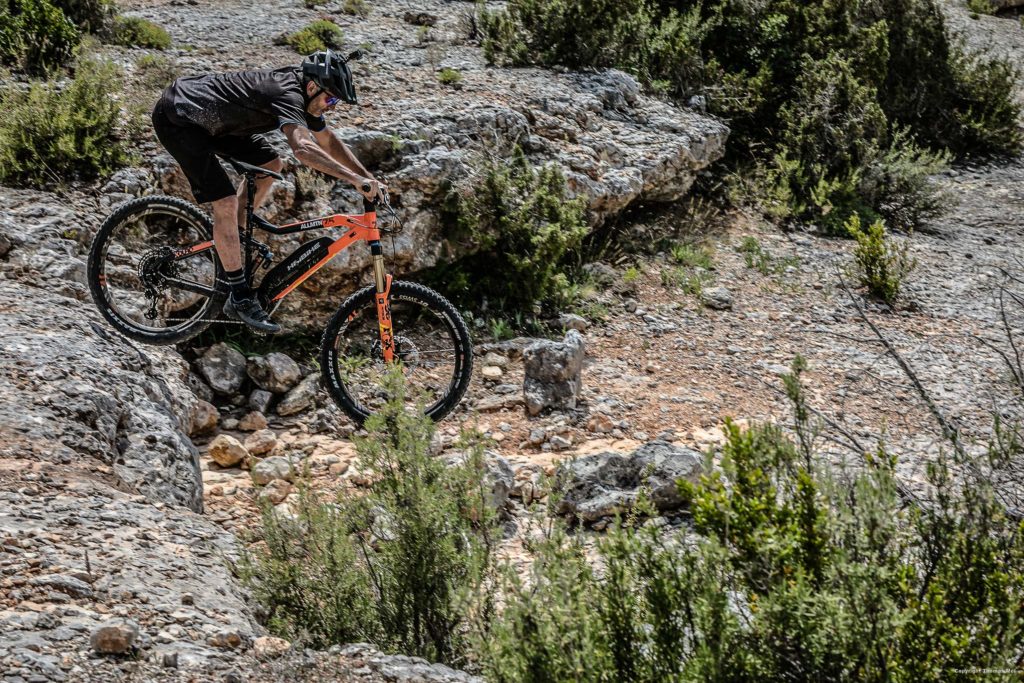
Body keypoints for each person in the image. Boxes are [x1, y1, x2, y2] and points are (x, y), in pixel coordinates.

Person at [150, 50, 385, 333]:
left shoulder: (306, 94)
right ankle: (239, 296)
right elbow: (303, 149)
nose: (332, 107)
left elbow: (328, 141)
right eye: (331, 99)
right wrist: (353, 179)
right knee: (224, 202)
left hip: (215, 121)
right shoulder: (288, 94)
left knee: (271, 164)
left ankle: (234, 234)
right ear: (313, 87)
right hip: (179, 117)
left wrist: (368, 178)